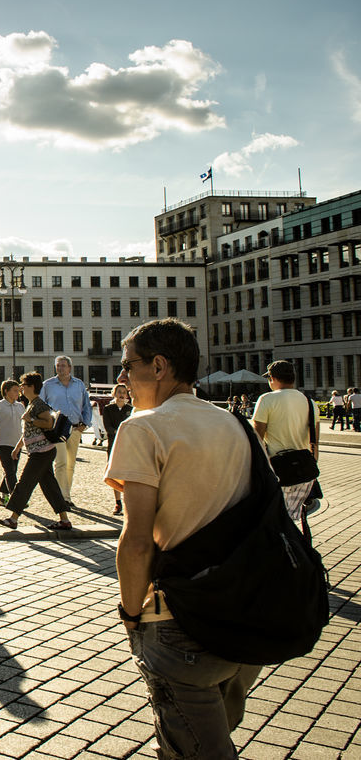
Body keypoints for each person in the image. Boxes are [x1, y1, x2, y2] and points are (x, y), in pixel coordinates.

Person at [105, 318, 260, 760]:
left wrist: (131, 615)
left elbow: (136, 542)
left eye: (127, 365)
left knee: (195, 748)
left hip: (179, 620)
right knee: (210, 735)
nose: (121, 378)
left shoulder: (142, 428)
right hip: (242, 615)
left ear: (158, 367)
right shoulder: (236, 425)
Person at [0, 372, 73, 531]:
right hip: (39, 451)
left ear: (31, 387)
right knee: (50, 486)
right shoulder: (32, 404)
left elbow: (49, 423)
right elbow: (28, 433)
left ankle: (13, 519)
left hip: (42, 452)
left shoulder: (39, 404)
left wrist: (30, 419)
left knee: (24, 483)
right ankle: (64, 520)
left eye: (23, 385)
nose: (21, 388)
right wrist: (18, 447)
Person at [252, 360, 318, 526]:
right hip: (304, 470)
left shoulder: (266, 399)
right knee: (291, 520)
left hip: (278, 469)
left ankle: (287, 549)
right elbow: (315, 441)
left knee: (273, 521)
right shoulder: (309, 402)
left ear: (272, 378)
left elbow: (257, 438)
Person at [41, 356, 93, 505]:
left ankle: (66, 493)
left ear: (70, 367)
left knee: (71, 464)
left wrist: (85, 423)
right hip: (57, 429)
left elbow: (86, 406)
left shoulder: (79, 385)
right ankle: (62, 497)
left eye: (63, 366)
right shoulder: (48, 385)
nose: (61, 369)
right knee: (61, 462)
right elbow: (42, 406)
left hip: (75, 428)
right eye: (58, 366)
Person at [0, 380, 26, 507]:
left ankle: (3, 495)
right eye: (15, 390)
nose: (18, 393)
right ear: (6, 391)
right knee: (9, 470)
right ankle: (17, 499)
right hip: (3, 443)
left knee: (12, 470)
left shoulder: (20, 406)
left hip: (17, 443)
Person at [101, 384, 134, 515]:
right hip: (113, 444)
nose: (121, 394)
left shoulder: (130, 409)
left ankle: (128, 502)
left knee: (128, 473)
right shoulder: (109, 409)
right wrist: (118, 432)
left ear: (127, 395)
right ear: (114, 393)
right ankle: (117, 502)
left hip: (127, 445)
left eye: (124, 392)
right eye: (119, 392)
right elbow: (107, 427)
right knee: (115, 473)